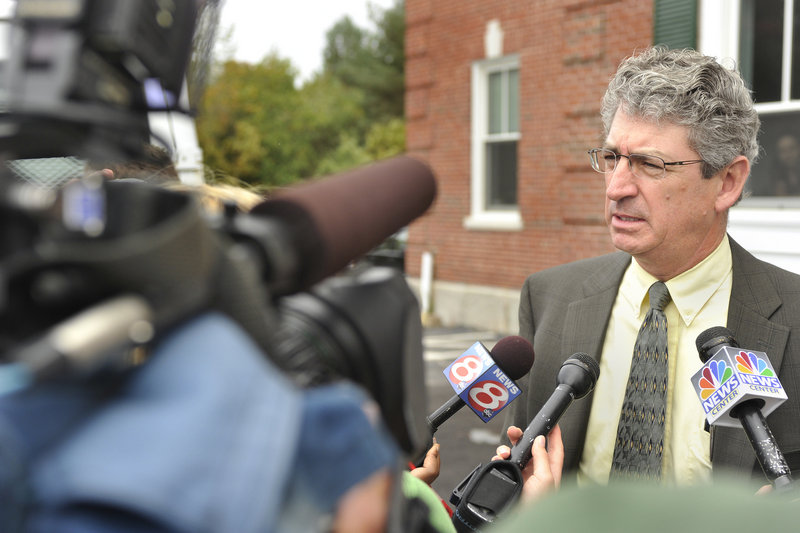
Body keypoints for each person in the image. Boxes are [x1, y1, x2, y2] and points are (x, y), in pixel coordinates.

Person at [503, 46, 800, 488]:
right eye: (611, 159)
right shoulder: (548, 298)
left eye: (649, 164)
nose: (616, 188)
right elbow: (512, 475)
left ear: (727, 182)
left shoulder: (793, 314)